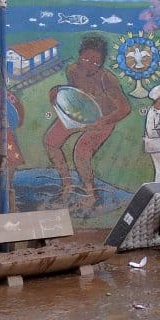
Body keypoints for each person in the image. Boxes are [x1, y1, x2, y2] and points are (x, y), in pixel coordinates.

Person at [44, 34, 130, 208]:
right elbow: (75, 92)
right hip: (79, 113)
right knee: (51, 141)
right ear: (79, 56)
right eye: (86, 58)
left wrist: (103, 121)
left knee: (81, 151)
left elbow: (124, 108)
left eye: (96, 62)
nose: (90, 64)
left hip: (103, 120)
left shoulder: (107, 79)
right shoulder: (73, 70)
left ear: (102, 63)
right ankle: (67, 184)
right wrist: (56, 91)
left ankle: (90, 193)